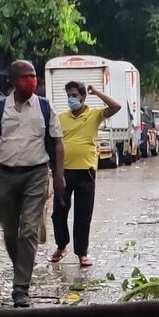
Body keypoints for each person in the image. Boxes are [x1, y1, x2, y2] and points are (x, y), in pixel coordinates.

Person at [0, 60, 65, 307]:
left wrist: (59, 176)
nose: (32, 81)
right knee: (10, 234)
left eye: (34, 76)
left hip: (36, 174)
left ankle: (20, 288)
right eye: (27, 77)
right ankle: (22, 269)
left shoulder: (46, 108)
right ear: (13, 81)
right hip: (6, 175)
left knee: (28, 230)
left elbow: (57, 142)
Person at [52, 80, 117, 269]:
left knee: (83, 214)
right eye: (69, 96)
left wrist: (97, 92)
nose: (71, 99)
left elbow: (116, 106)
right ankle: (61, 246)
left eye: (75, 95)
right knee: (58, 212)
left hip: (86, 171)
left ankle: (82, 253)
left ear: (82, 96)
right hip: (63, 171)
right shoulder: (60, 118)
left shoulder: (94, 115)